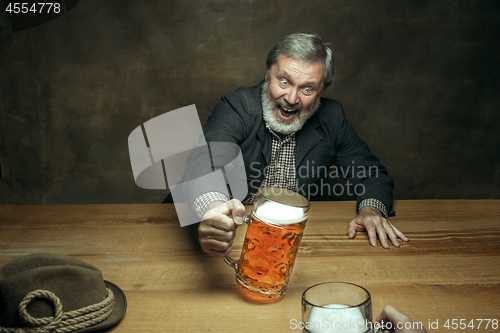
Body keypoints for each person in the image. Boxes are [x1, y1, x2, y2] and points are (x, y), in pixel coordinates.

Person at [183, 33, 408, 257]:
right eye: (284, 81)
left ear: (321, 90)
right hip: (217, 234)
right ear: (267, 74)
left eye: (307, 89)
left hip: (282, 240)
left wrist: (370, 210)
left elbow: (370, 173)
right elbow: (205, 160)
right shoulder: (236, 105)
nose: (291, 98)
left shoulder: (332, 117)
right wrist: (213, 210)